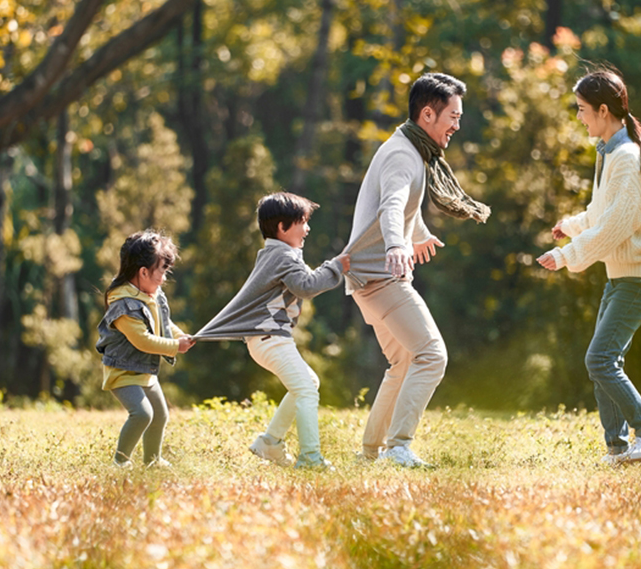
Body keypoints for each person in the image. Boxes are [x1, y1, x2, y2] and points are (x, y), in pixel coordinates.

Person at [345, 72, 491, 468]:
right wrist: (396, 243)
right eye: (453, 117)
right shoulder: (402, 155)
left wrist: (419, 233)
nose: (457, 125)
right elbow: (390, 205)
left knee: (404, 362)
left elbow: (404, 203)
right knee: (432, 355)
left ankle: (372, 451)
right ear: (428, 114)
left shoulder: (409, 148)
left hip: (365, 277)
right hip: (381, 277)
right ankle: (399, 446)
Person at [537, 67, 641, 465]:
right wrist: (570, 226)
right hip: (623, 276)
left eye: (582, 109)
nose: (579, 117)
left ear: (603, 110)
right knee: (604, 364)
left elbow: (616, 226)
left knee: (599, 360)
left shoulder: (627, 156)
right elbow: (603, 212)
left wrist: (566, 256)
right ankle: (617, 449)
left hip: (640, 278)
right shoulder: (614, 153)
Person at [194, 192, 350, 470]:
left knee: (308, 384)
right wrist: (335, 267)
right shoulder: (282, 257)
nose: (308, 228)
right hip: (271, 340)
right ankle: (310, 458)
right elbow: (307, 286)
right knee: (307, 392)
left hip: (267, 340)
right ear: (282, 227)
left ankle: (270, 443)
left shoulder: (276, 255)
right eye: (302, 221)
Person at [95, 230, 194, 469]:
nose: (164, 277)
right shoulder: (124, 305)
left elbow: (164, 322)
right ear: (143, 272)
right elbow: (142, 340)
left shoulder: (152, 294)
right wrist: (174, 347)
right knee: (142, 415)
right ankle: (120, 462)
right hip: (123, 372)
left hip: (144, 370)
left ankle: (152, 460)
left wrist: (179, 336)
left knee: (160, 415)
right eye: (162, 270)